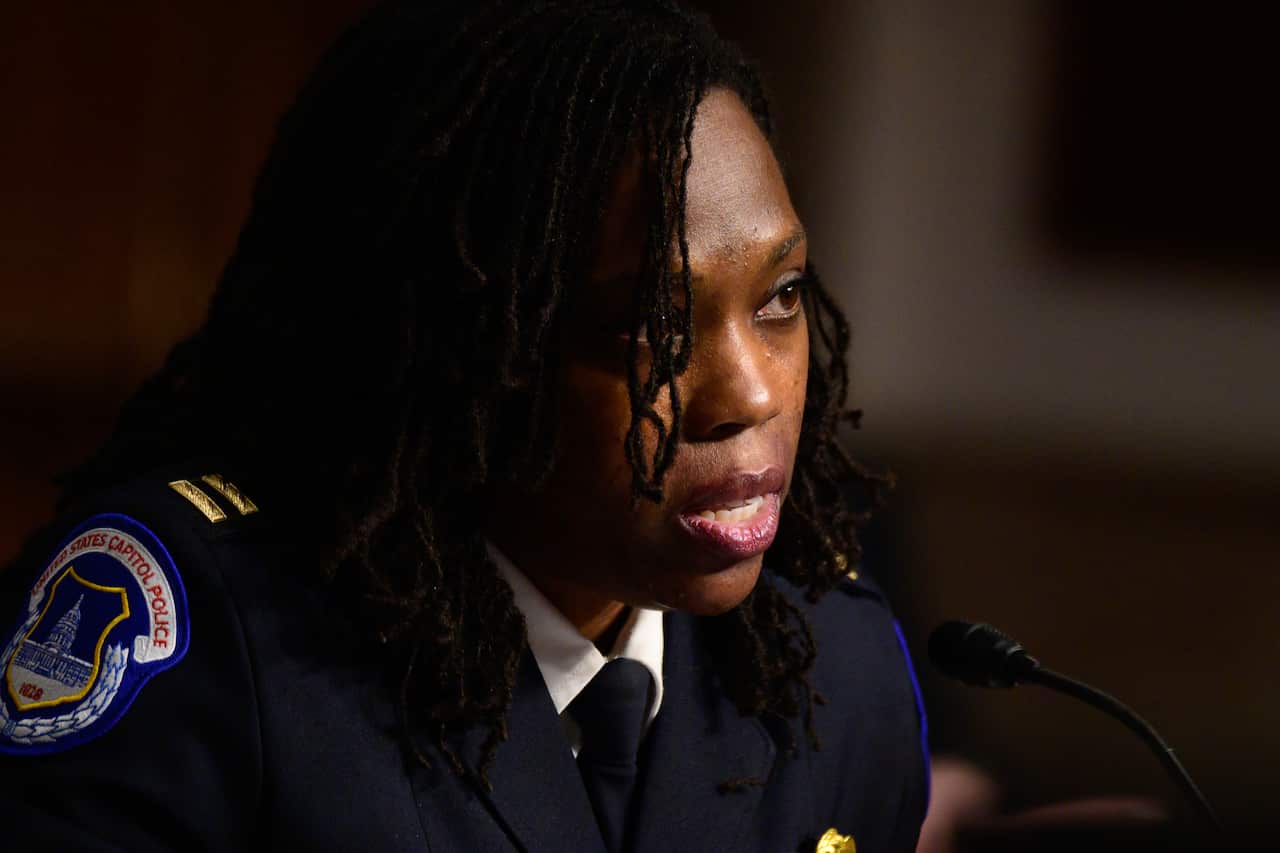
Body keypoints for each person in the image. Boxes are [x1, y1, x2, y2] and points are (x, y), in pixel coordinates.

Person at [0, 2, 928, 850]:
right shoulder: (205, 637)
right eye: (653, 325)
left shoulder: (837, 668)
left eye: (780, 297)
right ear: (467, 345)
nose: (752, 393)